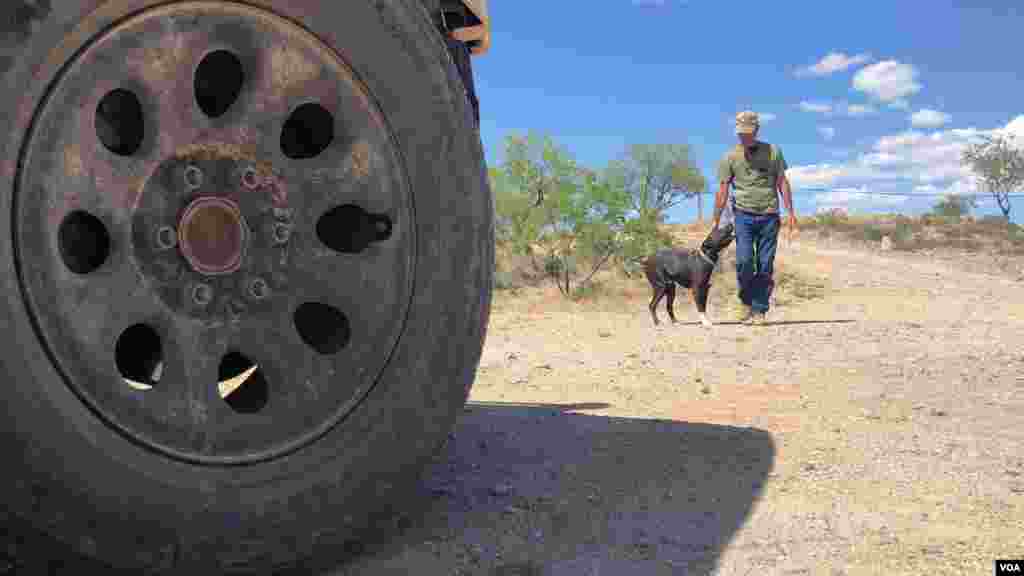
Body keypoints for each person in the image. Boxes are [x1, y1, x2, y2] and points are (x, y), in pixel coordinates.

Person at [711, 111, 798, 324]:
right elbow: (722, 189)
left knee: (765, 263)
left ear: (756, 130)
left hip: (769, 215)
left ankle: (759, 310)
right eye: (741, 133)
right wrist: (716, 219)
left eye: (748, 133)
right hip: (742, 215)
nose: (744, 137)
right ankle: (746, 303)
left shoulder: (773, 152)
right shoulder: (729, 157)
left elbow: (782, 182)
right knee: (744, 260)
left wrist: (791, 213)